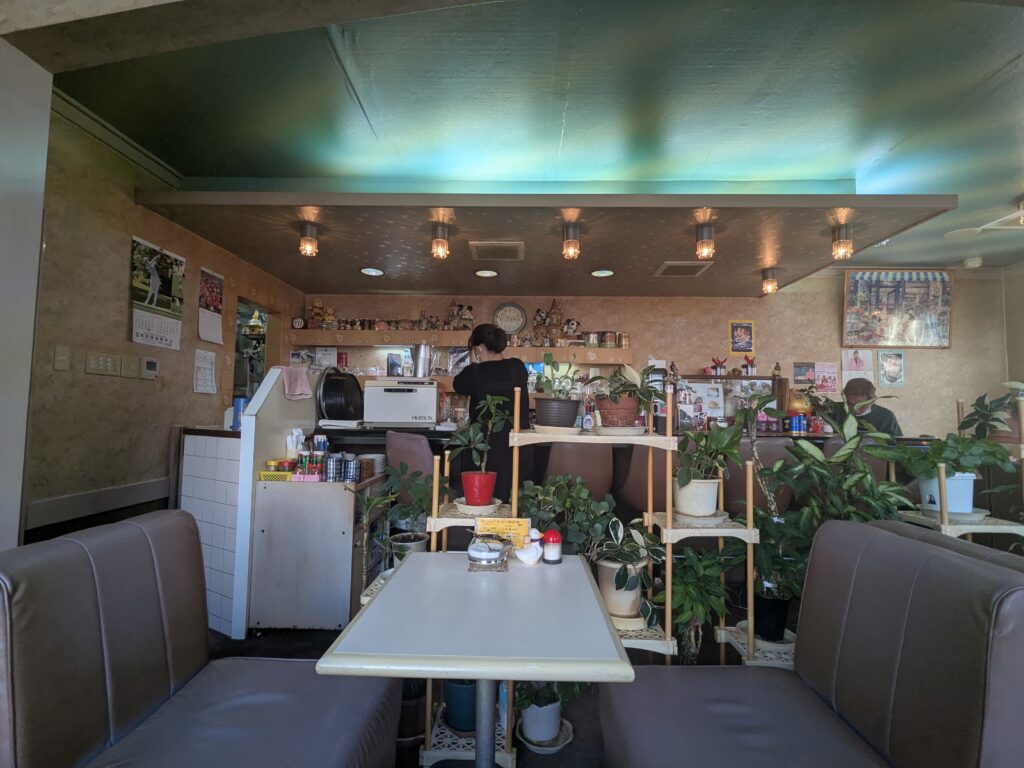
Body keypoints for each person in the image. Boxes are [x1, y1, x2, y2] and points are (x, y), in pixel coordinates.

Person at [453, 324, 533, 502]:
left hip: (484, 450)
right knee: (514, 502)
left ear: (478, 349)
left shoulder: (474, 372)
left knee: (483, 501)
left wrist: (474, 361)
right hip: (516, 448)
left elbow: (458, 384)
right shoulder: (518, 367)